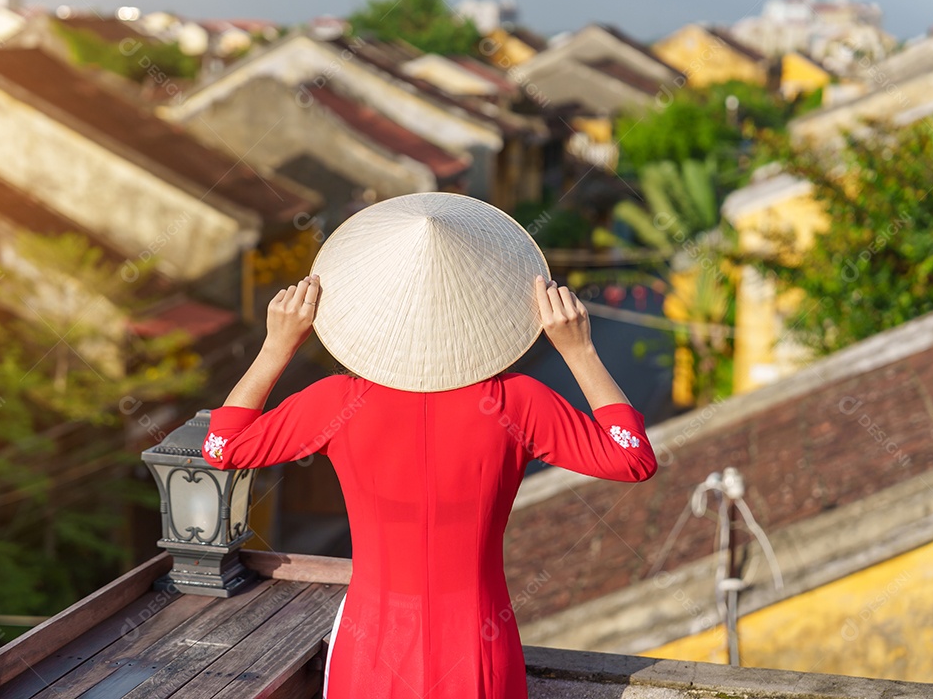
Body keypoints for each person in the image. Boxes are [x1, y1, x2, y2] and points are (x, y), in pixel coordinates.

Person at [201, 193, 658, 699]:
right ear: (486, 308)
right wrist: (581, 350)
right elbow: (631, 457)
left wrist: (277, 345)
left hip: (371, 645)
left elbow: (222, 446)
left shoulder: (336, 402)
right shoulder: (516, 402)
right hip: (479, 643)